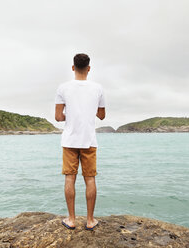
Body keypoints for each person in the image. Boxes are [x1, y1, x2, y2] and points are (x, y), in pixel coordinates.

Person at [55, 53, 105, 231]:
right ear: (89, 68)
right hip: (89, 140)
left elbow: (58, 116)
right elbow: (102, 115)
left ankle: (71, 219)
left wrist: (70, 116)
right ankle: (90, 220)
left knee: (70, 178)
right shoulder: (98, 88)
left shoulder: (63, 88)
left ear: (73, 67)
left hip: (70, 140)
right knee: (90, 179)